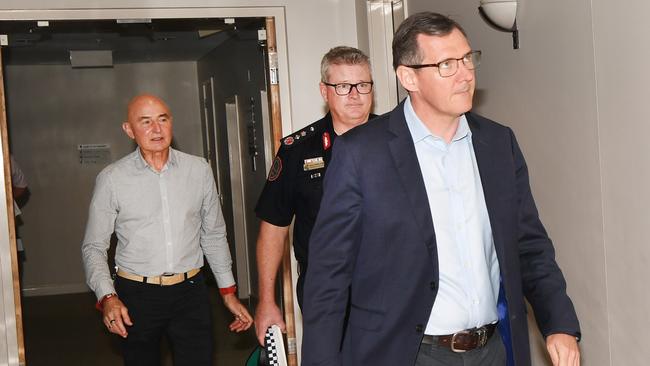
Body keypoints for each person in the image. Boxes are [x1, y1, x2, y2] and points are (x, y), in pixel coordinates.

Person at [301, 12, 580, 366]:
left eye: (467, 58)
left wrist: (559, 323)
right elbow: (329, 276)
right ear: (408, 78)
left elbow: (529, 246)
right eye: (447, 64)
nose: (465, 74)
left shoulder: (498, 144)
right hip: (409, 354)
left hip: (492, 350)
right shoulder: (362, 154)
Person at [81, 94, 253, 366]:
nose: (156, 129)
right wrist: (108, 297)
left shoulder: (199, 170)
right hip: (136, 295)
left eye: (162, 119)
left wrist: (228, 292)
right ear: (129, 130)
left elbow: (214, 235)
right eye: (145, 122)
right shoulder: (112, 179)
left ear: (171, 123)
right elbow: (93, 247)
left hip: (191, 292)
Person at [253, 46, 375, 344]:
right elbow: (273, 227)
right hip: (326, 286)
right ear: (325, 91)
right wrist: (267, 301)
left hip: (386, 282)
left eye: (363, 85)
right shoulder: (298, 150)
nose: (355, 95)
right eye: (343, 86)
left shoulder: (399, 142)